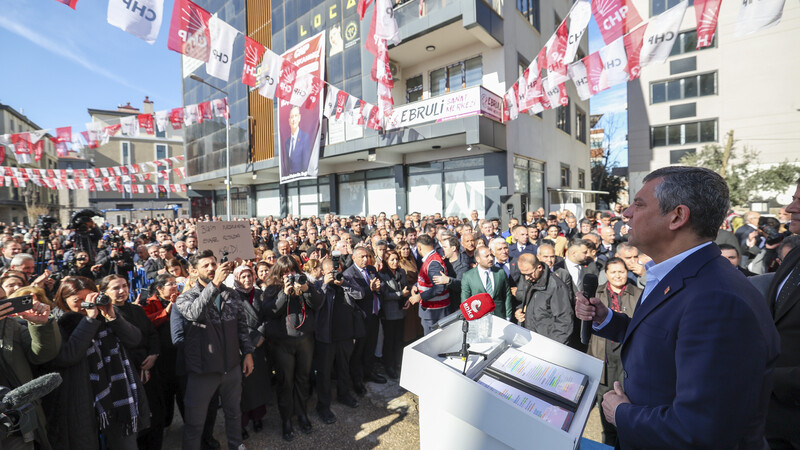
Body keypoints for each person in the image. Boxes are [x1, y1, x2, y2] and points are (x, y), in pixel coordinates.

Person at [575, 166, 780, 448]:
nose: (626, 213)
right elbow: (664, 337)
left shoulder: (718, 301)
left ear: (677, 217)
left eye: (639, 204)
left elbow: (700, 429)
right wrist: (607, 317)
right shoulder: (680, 274)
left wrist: (621, 413)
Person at [47, 276, 150, 450]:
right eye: (77, 300)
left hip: (118, 397)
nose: (84, 305)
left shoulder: (106, 316)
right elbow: (69, 355)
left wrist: (112, 316)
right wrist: (89, 320)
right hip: (81, 399)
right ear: (63, 301)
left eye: (88, 299)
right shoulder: (57, 322)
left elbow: (135, 340)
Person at [175, 250, 255, 450]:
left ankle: (236, 445)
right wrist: (215, 285)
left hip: (232, 367)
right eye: (206, 265)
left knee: (234, 413)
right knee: (195, 422)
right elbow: (195, 314)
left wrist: (248, 353)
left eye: (213, 264)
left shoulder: (231, 294)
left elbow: (241, 327)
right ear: (193, 271)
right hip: (203, 371)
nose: (212, 268)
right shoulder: (185, 298)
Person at [262, 255, 323, 441]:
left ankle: (302, 413)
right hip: (283, 344)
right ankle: (286, 419)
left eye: (292, 270)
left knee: (303, 379)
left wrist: (305, 290)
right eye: (285, 272)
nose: (289, 274)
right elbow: (270, 311)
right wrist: (284, 294)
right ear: (279, 273)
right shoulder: (272, 288)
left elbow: (318, 304)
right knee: (285, 382)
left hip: (305, 341)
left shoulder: (305, 283)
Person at [102, 275, 164, 450]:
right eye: (115, 288)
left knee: (156, 416)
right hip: (126, 375)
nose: (122, 291)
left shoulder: (136, 310)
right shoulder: (105, 315)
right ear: (105, 292)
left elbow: (151, 334)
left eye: (124, 286)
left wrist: (153, 355)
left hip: (149, 370)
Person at [586, 257, 641, 445]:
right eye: (613, 272)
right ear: (606, 274)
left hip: (628, 357)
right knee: (606, 406)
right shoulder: (596, 293)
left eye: (622, 271)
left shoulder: (639, 293)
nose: (618, 275)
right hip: (604, 357)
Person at [0, 285, 60, 450]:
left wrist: (41, 325)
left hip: (14, 424)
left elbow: (43, 355)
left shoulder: (12, 326)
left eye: (4, 299)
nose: (2, 305)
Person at [763, 179, 800, 449]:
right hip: (771, 421)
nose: (789, 208)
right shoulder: (793, 255)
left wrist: (764, 376)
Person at [313, 258, 358, 426]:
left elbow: (360, 294)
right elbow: (316, 305)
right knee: (324, 373)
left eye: (336, 269)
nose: (334, 273)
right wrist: (325, 285)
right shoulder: (317, 285)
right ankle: (323, 406)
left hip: (345, 334)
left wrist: (344, 283)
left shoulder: (346, 281)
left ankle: (344, 394)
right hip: (326, 337)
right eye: (331, 271)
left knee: (344, 367)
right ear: (323, 272)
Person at [142, 275, 184, 433]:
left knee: (183, 390)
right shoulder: (149, 302)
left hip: (180, 353)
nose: (174, 286)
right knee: (165, 393)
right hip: (161, 357)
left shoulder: (182, 298)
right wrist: (168, 309)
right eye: (170, 284)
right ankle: (165, 424)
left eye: (175, 283)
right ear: (159, 288)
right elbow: (147, 324)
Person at [232, 265, 268, 440]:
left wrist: (261, 335)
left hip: (260, 343)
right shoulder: (232, 296)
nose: (247, 280)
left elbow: (268, 317)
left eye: (249, 276)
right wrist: (249, 342)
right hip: (241, 345)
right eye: (243, 277)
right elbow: (233, 323)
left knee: (258, 382)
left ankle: (257, 417)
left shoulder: (261, 294)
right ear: (237, 278)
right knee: (242, 386)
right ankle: (242, 422)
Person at [343, 247, 387, 392]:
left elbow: (382, 284)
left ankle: (369, 372)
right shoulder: (349, 274)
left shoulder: (371, 269)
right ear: (354, 258)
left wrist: (379, 287)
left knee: (370, 347)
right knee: (358, 351)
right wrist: (371, 289)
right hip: (360, 318)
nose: (365, 259)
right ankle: (357, 380)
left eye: (367, 256)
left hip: (374, 315)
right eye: (361, 256)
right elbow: (357, 294)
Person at [513, 254, 573, 344]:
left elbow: (564, 320)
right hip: (531, 338)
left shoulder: (556, 286)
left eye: (529, 274)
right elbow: (533, 302)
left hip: (548, 341)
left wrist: (554, 346)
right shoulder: (529, 278)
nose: (526, 278)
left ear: (539, 267)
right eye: (523, 274)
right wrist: (521, 310)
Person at [408, 234, 452, 334]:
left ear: (419, 247)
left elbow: (439, 287)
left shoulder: (433, 263)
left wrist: (420, 296)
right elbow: (427, 279)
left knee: (433, 344)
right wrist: (416, 285)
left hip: (435, 312)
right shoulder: (431, 259)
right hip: (432, 310)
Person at [378, 250, 410, 380]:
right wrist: (400, 295)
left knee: (399, 339)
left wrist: (407, 298)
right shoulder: (382, 275)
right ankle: (389, 365)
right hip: (389, 313)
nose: (395, 262)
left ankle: (398, 362)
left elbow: (406, 287)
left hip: (401, 311)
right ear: (386, 261)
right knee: (389, 340)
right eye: (391, 260)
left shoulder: (401, 272)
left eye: (396, 259)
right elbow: (385, 295)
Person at [460, 246, 512, 320]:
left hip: (499, 317)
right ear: (478, 259)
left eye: (491, 255)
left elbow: (507, 295)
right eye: (487, 256)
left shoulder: (500, 272)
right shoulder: (468, 276)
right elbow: (465, 300)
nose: (491, 258)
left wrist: (508, 316)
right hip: (479, 319)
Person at [282, 106, 313, 176]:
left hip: (301, 177)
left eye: (295, 116)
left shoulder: (305, 137)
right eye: (292, 117)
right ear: (289, 120)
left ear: (299, 118)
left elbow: (305, 162)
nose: (294, 119)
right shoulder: (287, 143)